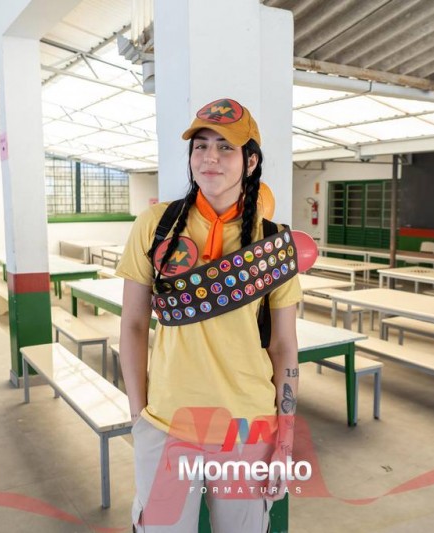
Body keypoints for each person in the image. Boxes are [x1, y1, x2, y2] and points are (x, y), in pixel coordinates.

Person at [116, 97, 301, 532]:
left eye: (225, 147)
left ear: (250, 162)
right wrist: (139, 415)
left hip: (247, 428)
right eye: (200, 146)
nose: (209, 157)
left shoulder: (273, 242)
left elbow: (283, 345)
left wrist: (285, 439)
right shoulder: (156, 226)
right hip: (166, 424)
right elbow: (134, 324)